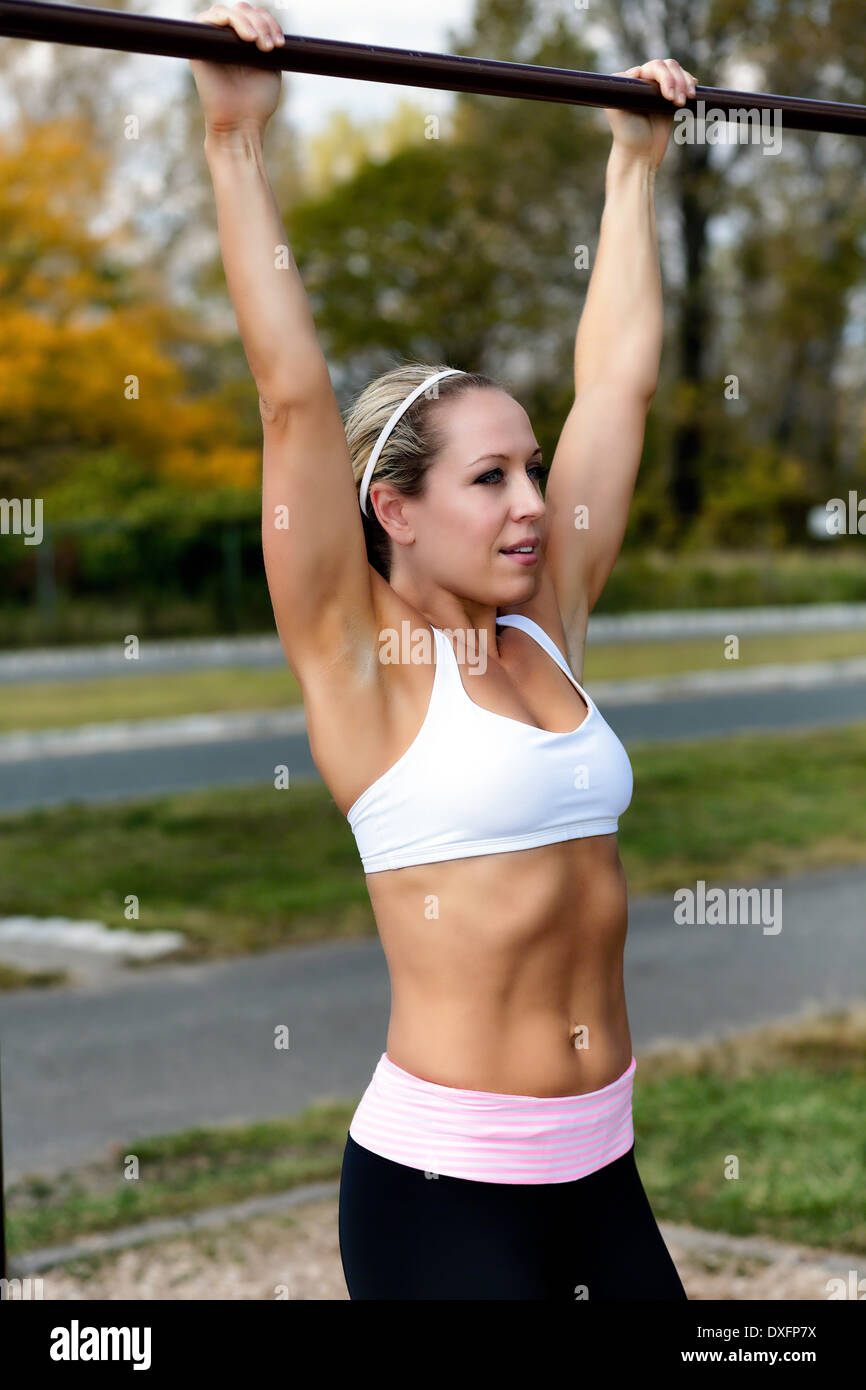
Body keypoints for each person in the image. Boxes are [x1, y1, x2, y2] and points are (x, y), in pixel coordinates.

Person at [192, 2, 696, 1300]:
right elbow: (290, 391)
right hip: (441, 1197)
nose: (533, 500)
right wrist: (233, 137)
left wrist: (630, 170)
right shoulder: (358, 666)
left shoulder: (548, 621)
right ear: (392, 508)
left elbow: (621, 380)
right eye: (491, 477)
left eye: (533, 466)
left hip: (603, 1171)